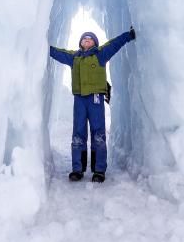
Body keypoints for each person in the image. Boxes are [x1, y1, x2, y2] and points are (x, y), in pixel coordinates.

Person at [49, 26, 136, 183]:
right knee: (78, 134)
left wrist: (128, 35)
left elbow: (114, 44)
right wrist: (45, 47)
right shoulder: (74, 57)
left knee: (98, 134)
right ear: (80, 43)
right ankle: (77, 169)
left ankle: (99, 170)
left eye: (89, 39)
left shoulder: (100, 54)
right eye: (84, 39)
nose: (86, 40)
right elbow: (59, 53)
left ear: (94, 43)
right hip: (80, 100)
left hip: (95, 99)